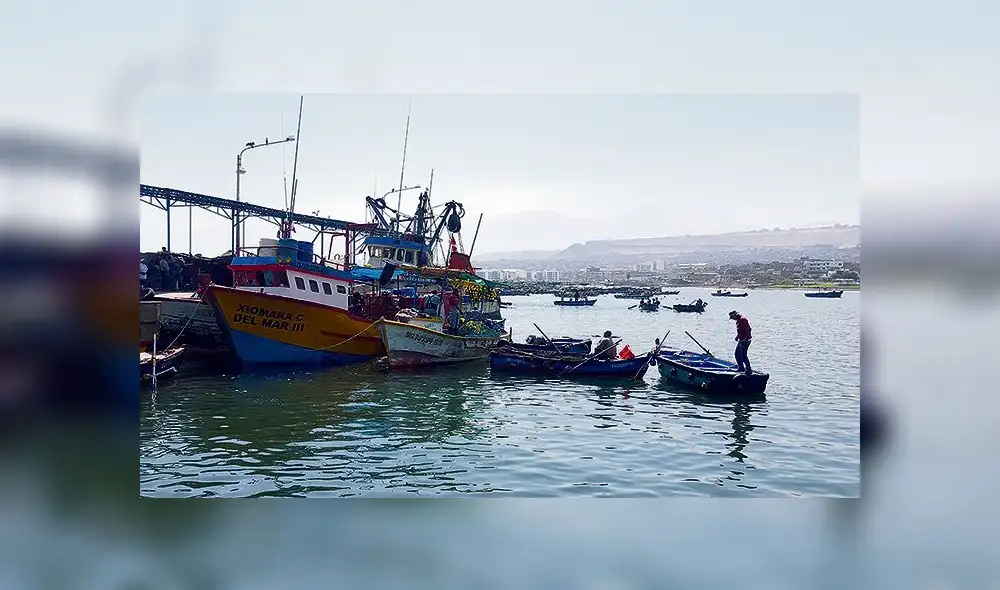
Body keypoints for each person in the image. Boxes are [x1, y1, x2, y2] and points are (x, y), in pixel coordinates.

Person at [729, 310, 753, 374]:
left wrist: (745, 338)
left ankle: (748, 370)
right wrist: (737, 336)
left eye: (732, 317)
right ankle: (741, 368)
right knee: (737, 354)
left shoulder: (743, 320)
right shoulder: (738, 320)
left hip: (745, 340)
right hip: (741, 340)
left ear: (735, 315)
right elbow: (741, 330)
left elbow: (748, 329)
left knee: (743, 355)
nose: (733, 319)